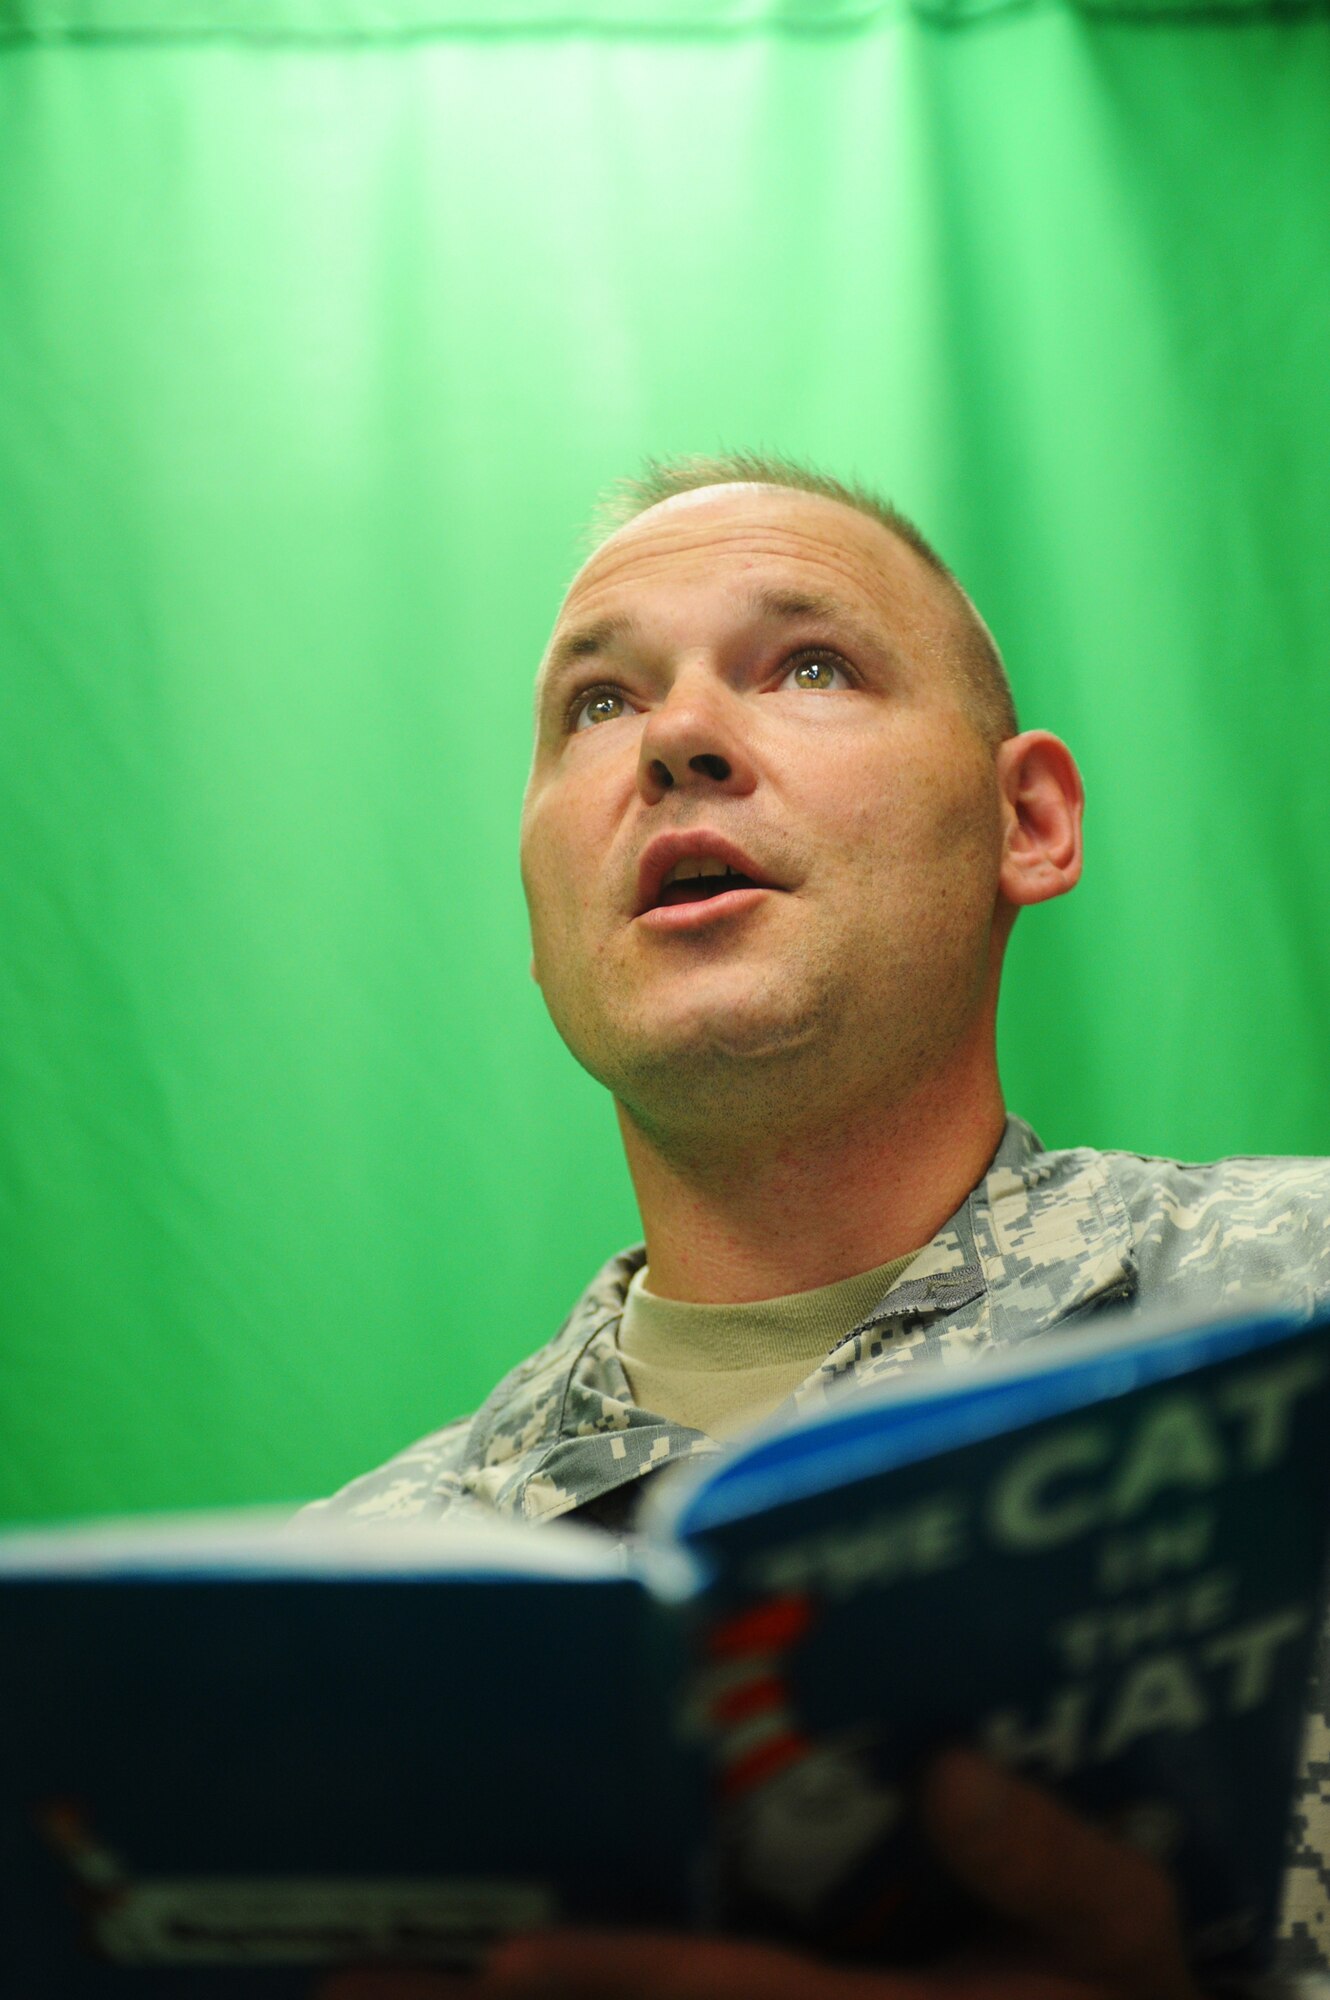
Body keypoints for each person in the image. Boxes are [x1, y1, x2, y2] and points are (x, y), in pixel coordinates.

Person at [301, 458, 1330, 2000]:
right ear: (537, 902)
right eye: (597, 705)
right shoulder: (327, 1627)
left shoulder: (1296, 1305)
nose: (677, 741)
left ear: (1026, 821)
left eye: (810, 665)